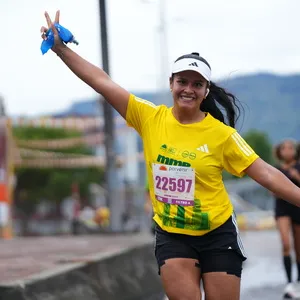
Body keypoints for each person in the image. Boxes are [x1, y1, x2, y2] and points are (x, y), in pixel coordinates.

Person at [41, 11, 300, 300]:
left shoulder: (222, 135)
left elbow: (266, 174)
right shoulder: (149, 117)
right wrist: (60, 49)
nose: (188, 89)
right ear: (171, 83)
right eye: (182, 81)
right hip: (173, 235)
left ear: (205, 91)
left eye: (197, 84)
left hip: (218, 234)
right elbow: (102, 82)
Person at [273, 139, 300, 298]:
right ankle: (289, 282)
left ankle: (298, 281)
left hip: (297, 207)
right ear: (280, 152)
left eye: (291, 148)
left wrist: (296, 176)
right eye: (285, 148)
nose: (288, 151)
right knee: (285, 244)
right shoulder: (276, 170)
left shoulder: (298, 167)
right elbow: (271, 188)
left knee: (298, 248)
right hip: (282, 208)